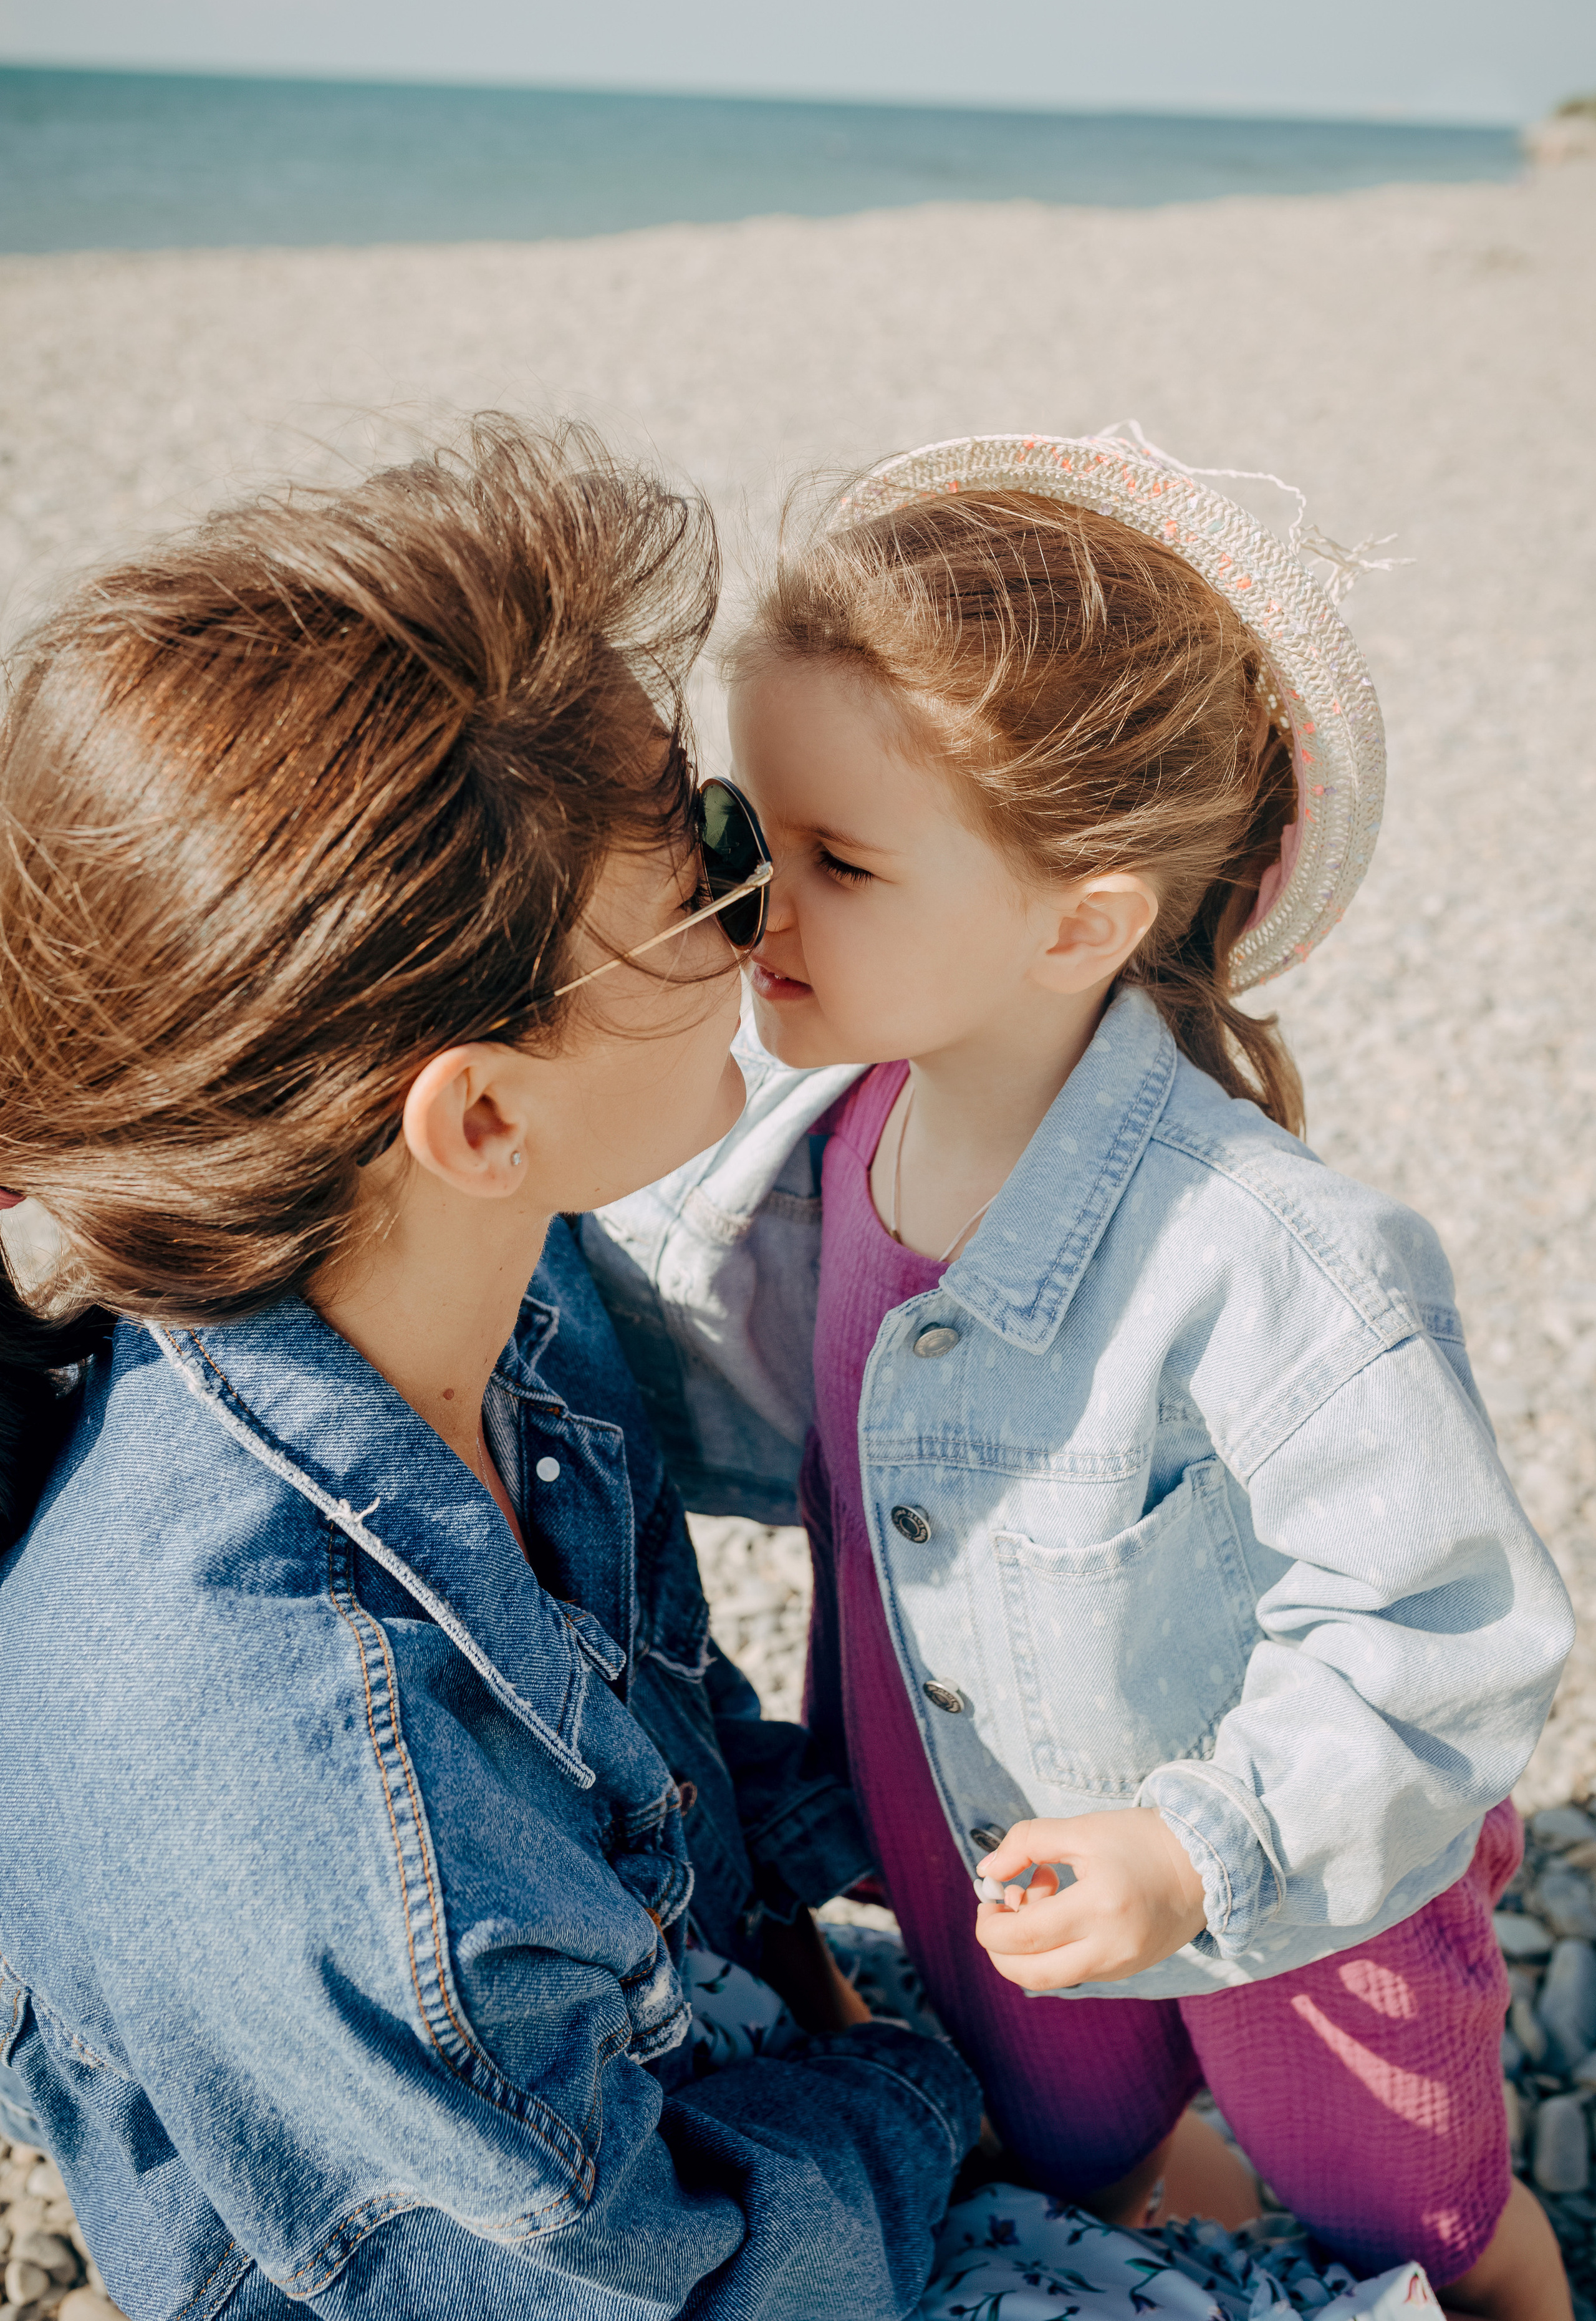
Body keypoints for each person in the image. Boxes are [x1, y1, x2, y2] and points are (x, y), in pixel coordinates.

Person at [583, 433, 1578, 2319]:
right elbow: (673, 1363)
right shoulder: (825, 1142)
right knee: (1082, 2157)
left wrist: (1203, 1855)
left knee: (1416, 2226)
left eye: (839, 865)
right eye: (750, 837)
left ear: (1081, 922)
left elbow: (1448, 1628)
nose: (752, 912)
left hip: (1297, 1903)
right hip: (998, 1869)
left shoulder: (1264, 1250)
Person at [0, 418, 981, 2320]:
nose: (765, 902)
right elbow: (674, 2289)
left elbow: (655, 1767)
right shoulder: (286, 1758)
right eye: (706, 854)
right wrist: (933, 2091)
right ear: (474, 1118)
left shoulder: (501, 1301)